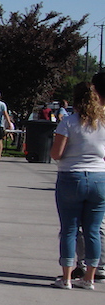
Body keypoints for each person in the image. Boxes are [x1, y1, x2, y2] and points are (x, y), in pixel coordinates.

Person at [49, 76, 105, 290]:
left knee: (69, 229)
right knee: (93, 230)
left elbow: (56, 153)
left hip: (71, 176)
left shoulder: (68, 122)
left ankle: (66, 278)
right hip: (99, 177)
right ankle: (90, 277)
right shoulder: (103, 122)